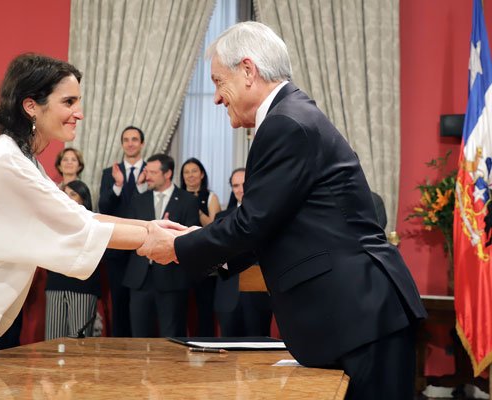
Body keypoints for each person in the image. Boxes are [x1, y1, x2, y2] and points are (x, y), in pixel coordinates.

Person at [138, 22, 426, 400]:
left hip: (358, 315)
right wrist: (197, 244)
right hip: (354, 316)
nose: (216, 98)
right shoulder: (289, 116)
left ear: (247, 71)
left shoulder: (285, 124)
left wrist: (180, 247)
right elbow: (270, 224)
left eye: (218, 82)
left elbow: (252, 223)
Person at [0, 53, 180, 369]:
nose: (79, 113)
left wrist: (154, 228)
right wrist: (164, 239)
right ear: (31, 106)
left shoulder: (21, 160)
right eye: (68, 102)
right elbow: (80, 225)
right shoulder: (7, 161)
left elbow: (82, 216)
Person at [122, 154, 199, 337]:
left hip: (171, 279)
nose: (147, 176)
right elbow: (128, 232)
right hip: (140, 279)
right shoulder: (139, 199)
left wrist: (169, 234)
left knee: (171, 336)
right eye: (147, 171)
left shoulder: (187, 200)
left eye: (153, 172)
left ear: (168, 173)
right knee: (139, 338)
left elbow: (192, 236)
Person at [98, 126, 147, 337]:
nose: (130, 143)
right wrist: (117, 186)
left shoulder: (152, 170)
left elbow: (152, 208)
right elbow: (103, 207)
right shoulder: (110, 173)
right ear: (122, 144)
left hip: (144, 249)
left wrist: (143, 188)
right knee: (118, 302)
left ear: (142, 143)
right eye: (126, 140)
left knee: (142, 306)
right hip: (117, 249)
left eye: (134, 139)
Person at [214, 168, 271, 337]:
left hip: (259, 296)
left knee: (259, 354)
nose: (240, 189)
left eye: (244, 184)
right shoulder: (221, 217)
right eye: (235, 185)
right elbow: (213, 254)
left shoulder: (268, 214)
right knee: (227, 356)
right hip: (227, 295)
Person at [45, 180, 102, 339]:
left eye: (73, 194)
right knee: (53, 339)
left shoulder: (94, 222)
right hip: (55, 285)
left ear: (83, 199)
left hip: (83, 286)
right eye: (64, 194)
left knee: (79, 341)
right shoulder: (51, 222)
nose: (67, 197)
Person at [180, 157, 221, 336]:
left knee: (205, 306)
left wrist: (193, 207)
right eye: (186, 172)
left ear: (202, 174)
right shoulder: (176, 195)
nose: (190, 175)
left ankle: (207, 341)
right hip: (181, 258)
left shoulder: (211, 196)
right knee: (182, 307)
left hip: (205, 260)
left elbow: (213, 226)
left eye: (194, 171)